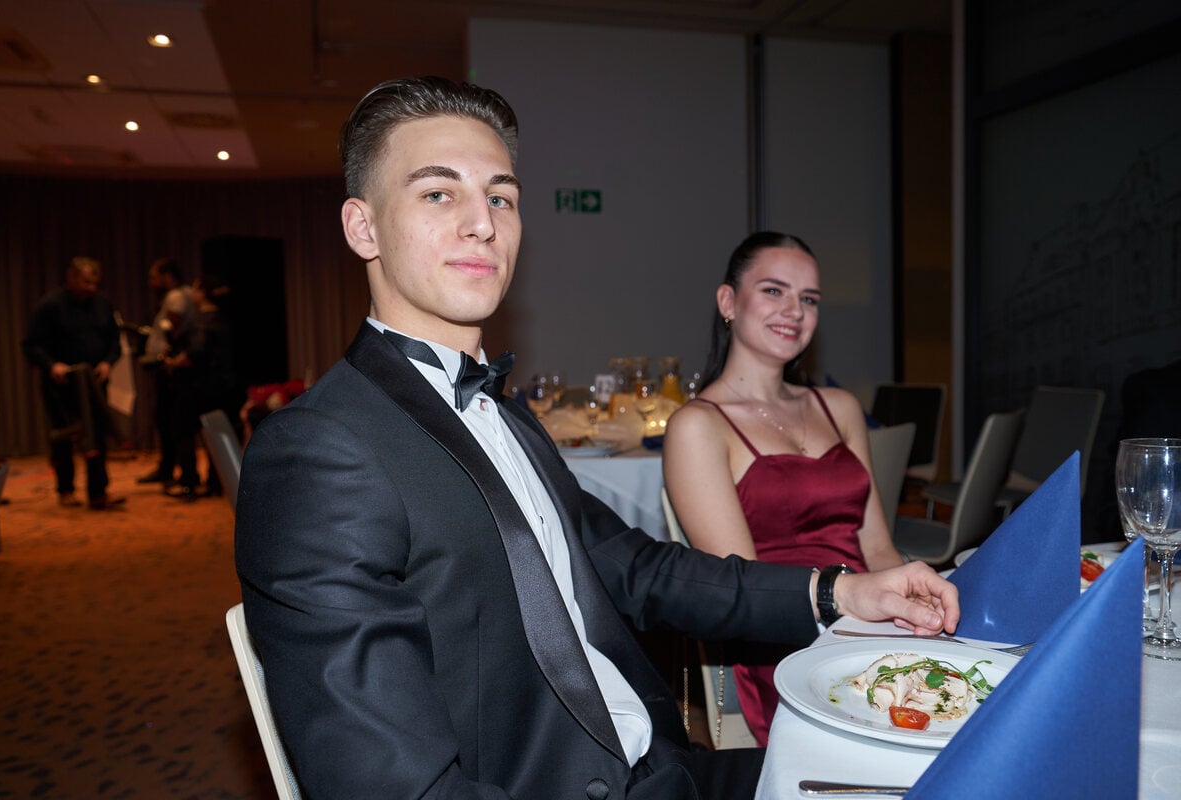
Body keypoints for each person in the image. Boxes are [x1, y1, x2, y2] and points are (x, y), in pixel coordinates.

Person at [235, 77, 958, 800]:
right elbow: (391, 786)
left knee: (952, 766)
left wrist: (840, 591)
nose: (482, 223)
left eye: (500, 198)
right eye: (438, 193)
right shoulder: (320, 450)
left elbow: (639, 570)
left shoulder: (507, 416)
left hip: (669, 769)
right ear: (363, 228)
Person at [662, 231, 905, 745]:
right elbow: (743, 588)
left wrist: (908, 605)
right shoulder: (698, 425)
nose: (794, 311)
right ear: (728, 302)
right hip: (782, 641)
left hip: (867, 619)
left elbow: (878, 547)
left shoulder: (839, 407)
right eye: (774, 290)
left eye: (809, 299)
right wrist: (853, 610)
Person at [23, 257, 125, 510]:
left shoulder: (102, 303)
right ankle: (65, 490)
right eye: (86, 282)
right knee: (64, 436)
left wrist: (107, 362)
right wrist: (51, 365)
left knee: (97, 435)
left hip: (94, 382)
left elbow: (114, 340)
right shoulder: (50, 305)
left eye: (95, 283)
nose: (91, 288)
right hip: (62, 384)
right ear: (71, 278)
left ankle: (98, 492)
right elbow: (31, 345)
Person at [161, 273, 238, 500]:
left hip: (195, 387)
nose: (192, 293)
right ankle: (216, 482)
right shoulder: (224, 318)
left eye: (195, 289)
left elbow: (195, 352)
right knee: (216, 432)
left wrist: (173, 362)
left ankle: (189, 483)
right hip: (222, 386)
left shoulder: (199, 321)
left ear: (202, 293)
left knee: (183, 431)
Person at [138, 258, 195, 487]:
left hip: (170, 368)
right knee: (168, 418)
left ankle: (174, 469)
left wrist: (168, 358)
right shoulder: (181, 295)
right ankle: (170, 467)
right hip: (170, 366)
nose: (150, 282)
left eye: (154, 277)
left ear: (167, 276)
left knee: (168, 419)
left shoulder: (176, 296)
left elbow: (174, 330)